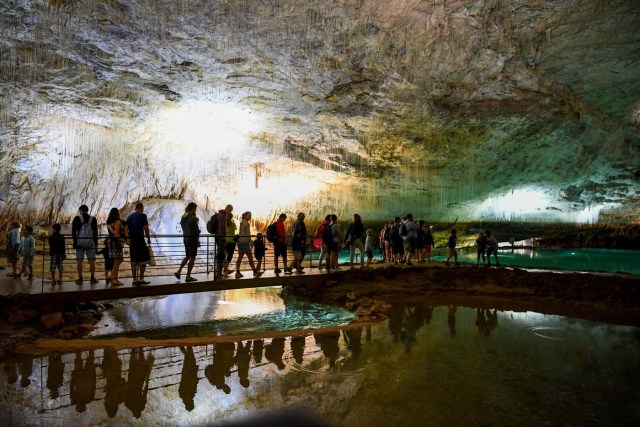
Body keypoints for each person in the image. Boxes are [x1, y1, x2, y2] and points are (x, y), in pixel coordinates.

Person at [71, 205, 99, 285]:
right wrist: (96, 244)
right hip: (90, 242)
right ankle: (92, 278)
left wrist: (75, 242)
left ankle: (80, 278)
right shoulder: (93, 219)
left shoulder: (76, 218)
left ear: (81, 210)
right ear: (87, 210)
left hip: (79, 243)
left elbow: (73, 232)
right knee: (91, 261)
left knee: (79, 261)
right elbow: (95, 233)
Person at [126, 203, 152, 285]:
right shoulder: (143, 216)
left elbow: (125, 229)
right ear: (141, 208)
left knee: (134, 260)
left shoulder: (129, 217)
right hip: (140, 240)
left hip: (132, 241)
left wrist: (128, 238)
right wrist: (148, 238)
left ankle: (134, 280)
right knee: (143, 260)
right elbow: (146, 228)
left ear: (135, 208)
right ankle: (141, 279)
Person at [175, 202, 200, 282]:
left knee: (187, 256)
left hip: (185, 238)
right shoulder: (192, 217)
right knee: (192, 257)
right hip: (192, 239)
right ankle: (188, 276)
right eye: (195, 209)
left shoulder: (184, 216)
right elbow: (196, 230)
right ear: (192, 209)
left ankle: (179, 271)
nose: (195, 211)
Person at [235, 211, 261, 278]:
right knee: (250, 258)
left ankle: (237, 272)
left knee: (240, 258)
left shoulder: (242, 222)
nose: (250, 217)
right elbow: (247, 235)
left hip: (240, 242)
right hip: (245, 243)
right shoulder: (247, 223)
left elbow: (242, 233)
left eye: (250, 215)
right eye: (249, 215)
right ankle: (255, 272)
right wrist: (251, 242)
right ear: (245, 216)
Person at [106, 208, 128, 286]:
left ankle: (115, 278)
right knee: (117, 260)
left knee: (118, 260)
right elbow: (116, 235)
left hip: (111, 242)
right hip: (116, 243)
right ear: (117, 214)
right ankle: (112, 276)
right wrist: (125, 241)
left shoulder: (109, 222)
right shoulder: (117, 222)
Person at [212, 204, 233, 278]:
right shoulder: (222, 216)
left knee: (222, 255)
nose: (229, 212)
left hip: (219, 238)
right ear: (227, 208)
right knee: (220, 256)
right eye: (230, 210)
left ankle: (219, 272)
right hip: (220, 238)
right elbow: (221, 228)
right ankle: (218, 273)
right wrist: (222, 238)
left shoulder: (221, 215)